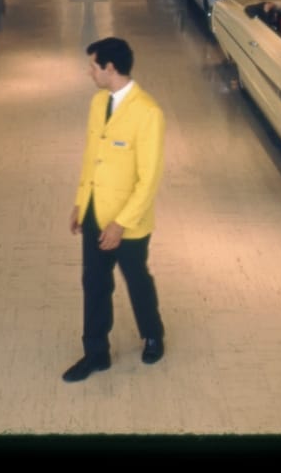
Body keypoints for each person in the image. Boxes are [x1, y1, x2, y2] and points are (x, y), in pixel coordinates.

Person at [63, 37, 165, 383]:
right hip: (95, 212)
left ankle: (152, 334)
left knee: (137, 280)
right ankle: (96, 352)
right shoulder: (97, 103)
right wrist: (81, 202)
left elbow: (148, 178)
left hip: (129, 222)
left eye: (92, 65)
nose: (88, 71)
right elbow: (92, 155)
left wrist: (121, 223)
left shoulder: (148, 112)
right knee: (94, 283)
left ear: (110, 68)